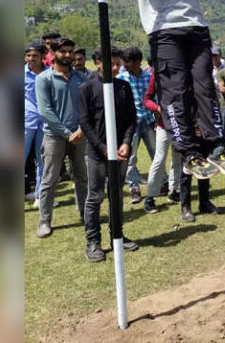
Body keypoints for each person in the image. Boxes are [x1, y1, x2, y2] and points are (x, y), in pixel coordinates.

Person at [128, 0, 225, 180]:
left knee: (205, 88)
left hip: (196, 29)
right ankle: (189, 152)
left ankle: (215, 145)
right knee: (174, 92)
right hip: (164, 31)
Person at [76, 46, 139, 262]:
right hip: (97, 153)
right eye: (110, 63)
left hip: (120, 153)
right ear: (98, 63)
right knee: (94, 197)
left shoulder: (123, 87)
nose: (115, 68)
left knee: (116, 196)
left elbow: (131, 118)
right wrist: (103, 148)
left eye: (118, 64)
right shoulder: (87, 88)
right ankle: (93, 242)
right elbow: (85, 123)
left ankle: (117, 236)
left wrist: (126, 142)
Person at [34, 37, 88, 238]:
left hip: (80, 136)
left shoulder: (80, 78)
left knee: (82, 177)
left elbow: (87, 107)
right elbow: (46, 111)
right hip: (54, 137)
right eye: (63, 51)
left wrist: (81, 129)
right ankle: (45, 221)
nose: (67, 55)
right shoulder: (44, 79)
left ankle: (84, 213)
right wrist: (67, 134)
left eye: (70, 51)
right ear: (54, 53)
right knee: (49, 179)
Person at [117, 46, 156, 204]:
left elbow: (154, 98)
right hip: (130, 124)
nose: (125, 65)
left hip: (148, 120)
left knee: (156, 154)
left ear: (138, 61)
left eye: (127, 62)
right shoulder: (121, 79)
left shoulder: (148, 77)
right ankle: (134, 188)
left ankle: (159, 184)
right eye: (124, 61)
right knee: (130, 157)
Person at [142, 69, 182, 213]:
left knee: (178, 159)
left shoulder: (182, 73)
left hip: (180, 125)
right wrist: (157, 108)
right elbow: (146, 99)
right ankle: (150, 197)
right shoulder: (157, 76)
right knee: (159, 159)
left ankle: (173, 190)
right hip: (163, 125)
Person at [24, 41, 47, 201]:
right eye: (29, 56)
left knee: (43, 159)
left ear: (43, 57)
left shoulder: (49, 73)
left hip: (45, 122)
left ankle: (40, 195)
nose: (31, 59)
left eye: (35, 56)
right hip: (26, 121)